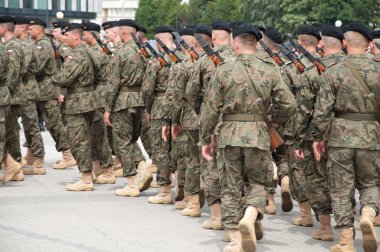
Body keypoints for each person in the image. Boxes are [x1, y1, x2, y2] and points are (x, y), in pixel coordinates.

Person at [201, 21, 296, 251]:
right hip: (258, 135)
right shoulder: (270, 68)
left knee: (231, 187)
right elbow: (290, 105)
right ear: (257, 43)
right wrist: (273, 119)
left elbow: (211, 109)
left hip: (229, 135)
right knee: (258, 183)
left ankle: (235, 241)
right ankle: (251, 214)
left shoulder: (223, 69)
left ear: (235, 43)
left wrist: (206, 138)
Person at [312, 23, 380, 252]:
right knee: (371, 183)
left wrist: (317, 137)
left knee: (341, 189)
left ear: (344, 43)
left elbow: (322, 111)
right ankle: (368, 213)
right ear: (370, 44)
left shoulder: (334, 71)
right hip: (372, 135)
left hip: (340, 136)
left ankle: (346, 242)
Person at [52, 23, 97, 191]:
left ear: (76, 36)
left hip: (78, 102)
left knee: (79, 140)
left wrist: (52, 78)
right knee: (84, 138)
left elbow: (64, 78)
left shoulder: (76, 54)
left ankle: (86, 179)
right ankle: (89, 173)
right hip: (87, 99)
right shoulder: (87, 51)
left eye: (67, 35)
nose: (65, 38)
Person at [27, 18, 76, 174]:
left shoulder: (43, 45)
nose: (28, 31)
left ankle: (68, 155)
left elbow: (37, 67)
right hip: (39, 90)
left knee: (54, 123)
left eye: (30, 29)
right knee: (32, 123)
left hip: (47, 90)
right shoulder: (38, 44)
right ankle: (30, 155)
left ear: (38, 30)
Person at [103, 19, 145, 197]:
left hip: (122, 102)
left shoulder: (120, 53)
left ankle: (131, 183)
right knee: (133, 139)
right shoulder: (143, 52)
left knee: (123, 141)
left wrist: (107, 108)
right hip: (139, 100)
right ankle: (143, 169)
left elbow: (113, 83)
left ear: (123, 33)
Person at [291, 25, 322, 228]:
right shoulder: (327, 64)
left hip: (306, 129)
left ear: (300, 42)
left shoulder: (299, 67)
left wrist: (297, 138)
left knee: (304, 173)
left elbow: (300, 106)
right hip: (330, 130)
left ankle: (308, 215)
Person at [143, 26, 176, 205]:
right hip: (179, 108)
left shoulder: (157, 62)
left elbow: (148, 89)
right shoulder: (183, 59)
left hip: (160, 106)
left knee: (161, 149)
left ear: (158, 42)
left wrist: (148, 109)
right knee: (177, 148)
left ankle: (165, 190)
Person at [82, 22, 115, 184]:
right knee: (93, 133)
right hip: (95, 93)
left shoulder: (97, 51)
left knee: (100, 133)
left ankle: (108, 169)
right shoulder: (92, 50)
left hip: (100, 94)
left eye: (85, 33)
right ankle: (98, 168)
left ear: (92, 35)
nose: (83, 36)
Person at [13, 16, 45, 180]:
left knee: (32, 125)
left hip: (27, 89)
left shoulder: (26, 44)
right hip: (20, 89)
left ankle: (39, 161)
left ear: (22, 28)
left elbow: (21, 68)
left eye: (15, 27)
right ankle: (30, 156)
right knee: (25, 125)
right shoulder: (19, 43)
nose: (13, 29)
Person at [0, 16, 22, 183]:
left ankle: (15, 164)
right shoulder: (5, 46)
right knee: (7, 134)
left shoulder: (12, 46)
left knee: (10, 133)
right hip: (6, 95)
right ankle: (12, 165)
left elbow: (12, 75)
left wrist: (5, 91)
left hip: (8, 95)